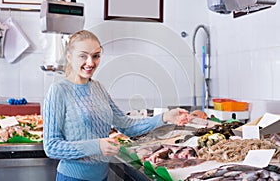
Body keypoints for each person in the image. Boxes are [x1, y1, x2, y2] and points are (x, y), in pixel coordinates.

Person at [43, 30, 190, 181]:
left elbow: (127, 125)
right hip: (73, 177)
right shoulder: (59, 91)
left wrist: (166, 117)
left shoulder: (98, 88)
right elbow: (52, 146)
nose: (90, 62)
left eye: (96, 56)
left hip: (101, 177)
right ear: (69, 57)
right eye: (83, 56)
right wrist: (97, 146)